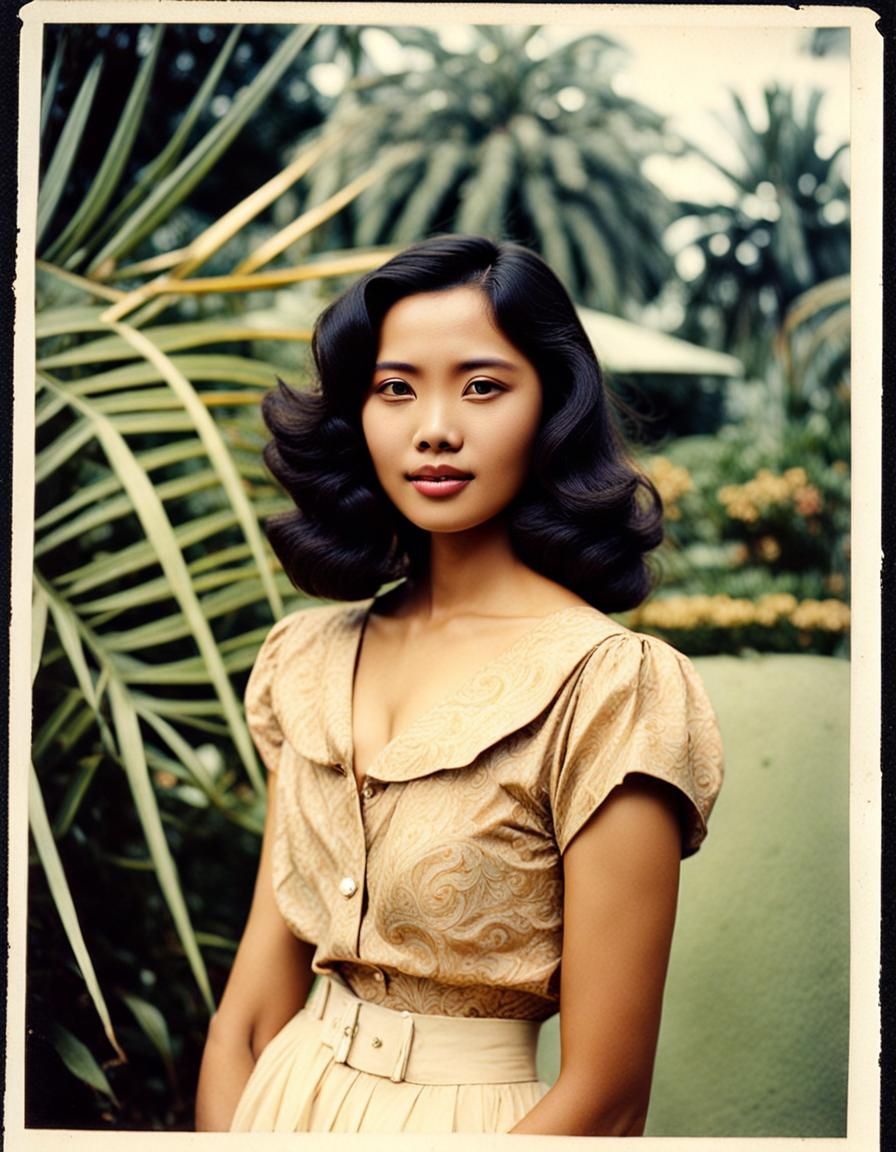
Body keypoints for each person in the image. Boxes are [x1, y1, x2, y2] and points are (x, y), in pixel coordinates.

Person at [194, 235, 724, 1136]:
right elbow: (246, 1019)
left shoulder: (610, 689)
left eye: (482, 386)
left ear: (551, 408)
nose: (434, 427)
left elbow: (606, 1099)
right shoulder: (307, 658)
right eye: (395, 388)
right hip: (277, 1105)